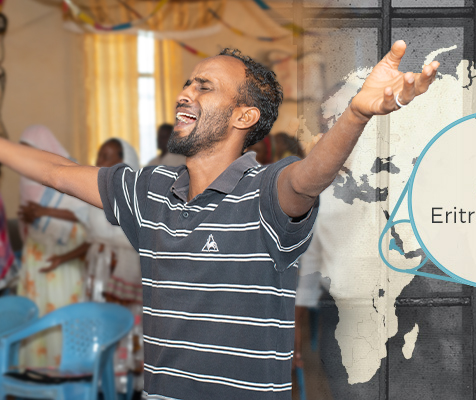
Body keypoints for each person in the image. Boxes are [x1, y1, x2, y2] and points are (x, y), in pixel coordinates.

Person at [0, 41, 439, 398]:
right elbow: (57, 171)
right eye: (188, 82)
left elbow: (310, 176)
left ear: (243, 116)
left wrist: (357, 113)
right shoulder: (148, 191)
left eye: (204, 87)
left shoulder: (265, 192)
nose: (184, 93)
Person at [43, 138, 144, 395]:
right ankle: (104, 380)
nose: (101, 162)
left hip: (125, 274)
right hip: (98, 271)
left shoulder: (136, 198)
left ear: (125, 162)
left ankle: (128, 384)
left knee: (126, 326)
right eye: (99, 156)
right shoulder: (94, 198)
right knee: (99, 324)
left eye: (108, 156)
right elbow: (91, 238)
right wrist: (62, 258)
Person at [15, 125, 88, 368]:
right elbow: (31, 214)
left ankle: (67, 371)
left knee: (61, 309)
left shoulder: (70, 172)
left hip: (64, 255)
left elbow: (85, 214)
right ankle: (36, 370)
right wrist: (30, 217)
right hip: (37, 252)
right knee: (37, 311)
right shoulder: (28, 179)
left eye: (30, 150)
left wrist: (44, 211)